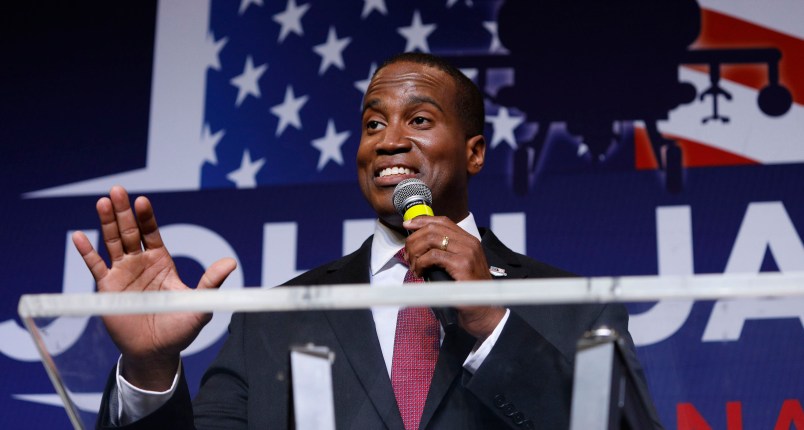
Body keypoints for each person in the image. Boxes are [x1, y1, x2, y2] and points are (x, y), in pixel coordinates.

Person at [73, 52, 661, 429]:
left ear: (474, 152)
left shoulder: (574, 304)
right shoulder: (273, 319)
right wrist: (149, 369)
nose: (388, 141)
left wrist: (492, 323)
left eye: (420, 121)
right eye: (374, 124)